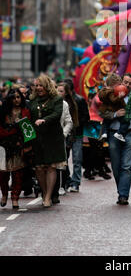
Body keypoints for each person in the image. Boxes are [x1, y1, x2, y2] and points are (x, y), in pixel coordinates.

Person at [99, 73, 131, 205]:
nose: (127, 85)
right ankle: (121, 190)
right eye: (125, 82)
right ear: (121, 82)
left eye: (130, 83)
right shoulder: (113, 94)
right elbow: (102, 112)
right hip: (113, 132)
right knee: (116, 166)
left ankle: (123, 195)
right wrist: (115, 114)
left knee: (127, 166)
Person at [29, 74, 66, 207]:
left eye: (41, 85)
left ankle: (49, 196)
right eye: (37, 85)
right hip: (37, 138)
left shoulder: (56, 99)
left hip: (52, 137)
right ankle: (44, 193)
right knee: (39, 167)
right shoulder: (32, 100)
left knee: (51, 166)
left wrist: (45, 120)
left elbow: (57, 114)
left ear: (47, 86)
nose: (38, 88)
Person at [0, 88, 31, 209]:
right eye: (14, 97)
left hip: (19, 146)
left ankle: (14, 198)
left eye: (18, 97)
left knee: (18, 174)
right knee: (2, 174)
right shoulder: (3, 112)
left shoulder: (26, 112)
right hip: (3, 146)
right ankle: (4, 194)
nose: (16, 100)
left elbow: (29, 131)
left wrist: (27, 145)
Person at [64, 78, 90, 193]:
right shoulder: (60, 101)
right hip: (65, 134)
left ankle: (75, 182)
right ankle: (67, 180)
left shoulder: (79, 100)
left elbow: (86, 117)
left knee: (77, 159)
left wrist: (77, 124)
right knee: (63, 159)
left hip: (77, 134)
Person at [51, 82, 74, 203]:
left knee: (59, 166)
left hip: (60, 140)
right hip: (43, 140)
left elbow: (69, 122)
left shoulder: (64, 104)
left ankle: (56, 191)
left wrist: (63, 134)